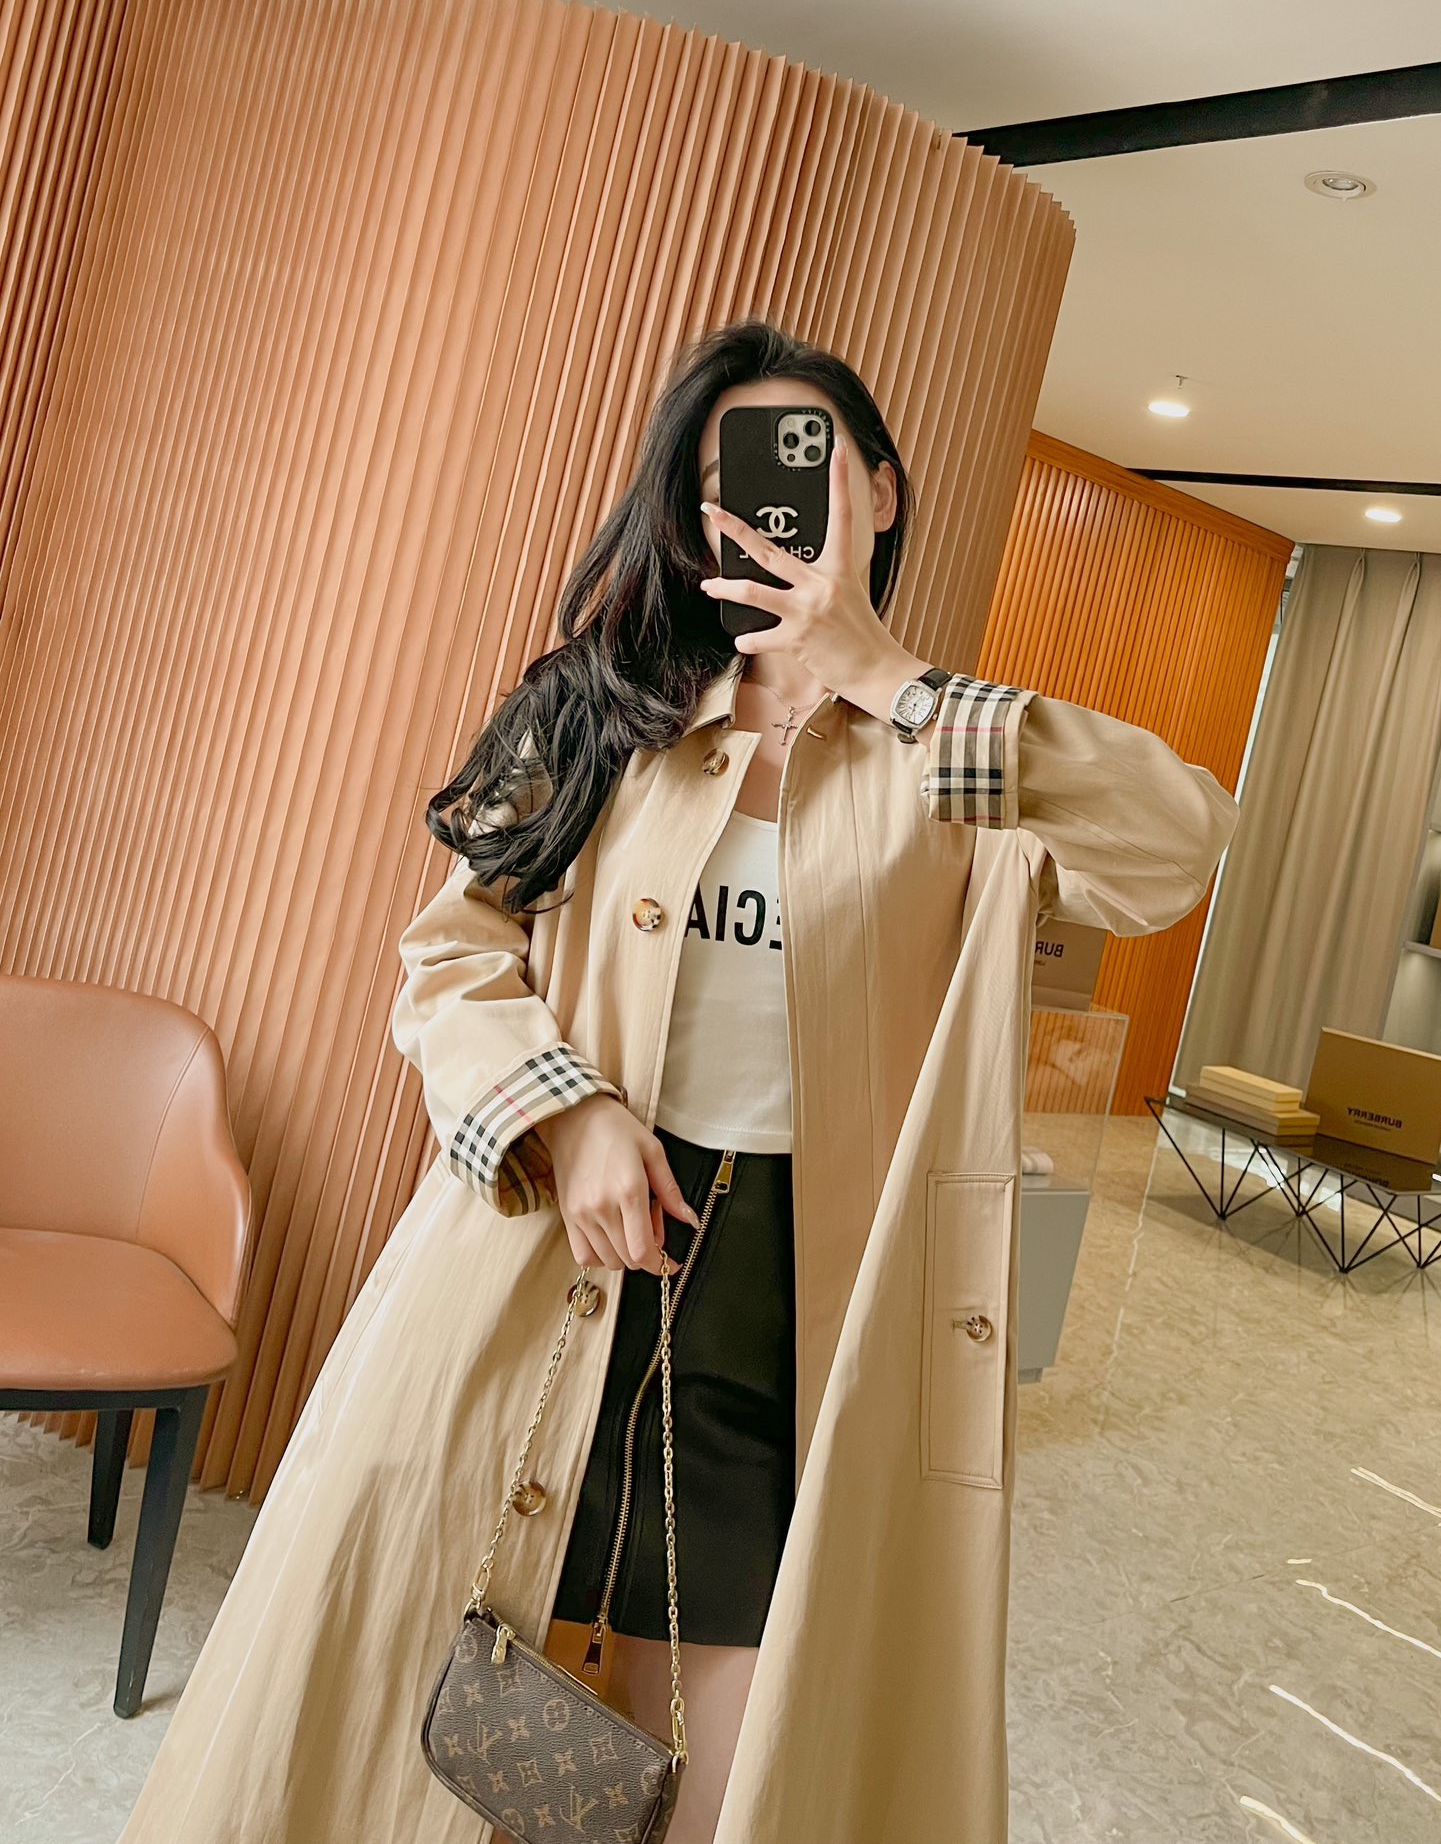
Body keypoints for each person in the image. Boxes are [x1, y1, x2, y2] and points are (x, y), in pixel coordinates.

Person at [116, 317, 1237, 1844]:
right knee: (432, 1726)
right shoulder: (596, 706)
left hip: (779, 1308)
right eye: (727, 482)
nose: (765, 507)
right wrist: (566, 1110)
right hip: (540, 1258)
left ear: (880, 493)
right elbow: (448, 951)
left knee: (727, 1771)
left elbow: (1174, 845)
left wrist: (890, 677)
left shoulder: (952, 758)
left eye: (803, 465)